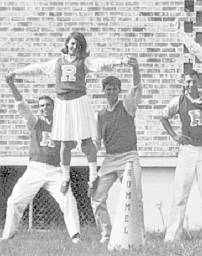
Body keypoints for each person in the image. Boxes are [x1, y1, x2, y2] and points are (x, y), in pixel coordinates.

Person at [6, 32, 132, 196]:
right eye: (72, 43)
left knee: (86, 141)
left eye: (78, 45)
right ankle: (65, 177)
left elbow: (101, 64)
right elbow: (38, 68)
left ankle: (93, 176)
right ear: (67, 44)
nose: (74, 47)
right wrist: (17, 71)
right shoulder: (57, 62)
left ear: (81, 48)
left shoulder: (84, 62)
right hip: (62, 104)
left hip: (79, 101)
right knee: (65, 144)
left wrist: (120, 61)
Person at [2, 76, 80, 243]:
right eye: (42, 106)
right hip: (35, 168)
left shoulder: (62, 125)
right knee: (14, 201)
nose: (44, 108)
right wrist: (11, 84)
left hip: (55, 170)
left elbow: (72, 144)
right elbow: (22, 106)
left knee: (68, 199)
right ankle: (7, 236)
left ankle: (76, 236)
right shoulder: (35, 122)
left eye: (48, 105)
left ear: (54, 107)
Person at [161, 70, 202, 242]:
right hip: (187, 150)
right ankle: (172, 235)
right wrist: (175, 136)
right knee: (180, 193)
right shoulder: (179, 100)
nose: (191, 85)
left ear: (199, 82)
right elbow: (163, 116)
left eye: (194, 81)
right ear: (184, 83)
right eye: (188, 82)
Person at [90, 57, 143, 243]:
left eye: (114, 88)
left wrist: (135, 68)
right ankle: (106, 232)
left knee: (135, 198)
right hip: (110, 159)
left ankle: (138, 235)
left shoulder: (127, 106)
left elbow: (136, 87)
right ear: (104, 91)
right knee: (96, 196)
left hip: (129, 157)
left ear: (119, 91)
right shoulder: (99, 115)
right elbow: (96, 143)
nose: (111, 91)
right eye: (108, 88)